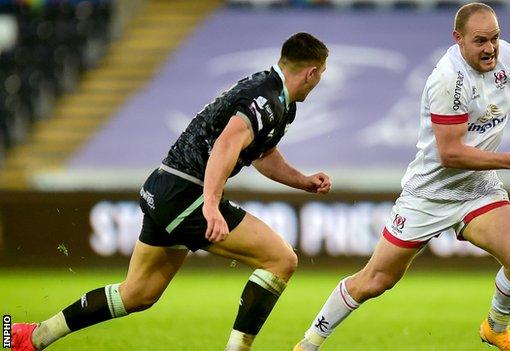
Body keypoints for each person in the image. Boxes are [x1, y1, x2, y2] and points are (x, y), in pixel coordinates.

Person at [12, 32, 330, 351]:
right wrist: (210, 203)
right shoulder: (266, 99)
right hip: (185, 192)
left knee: (138, 293)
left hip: (165, 187)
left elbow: (260, 153)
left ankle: (31, 337)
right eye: (322, 74)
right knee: (280, 259)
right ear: (312, 72)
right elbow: (226, 144)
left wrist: (302, 181)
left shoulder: (278, 103)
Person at [294, 4, 510, 351]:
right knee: (375, 281)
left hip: (478, 188)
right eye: (480, 41)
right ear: (458, 39)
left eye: (494, 38)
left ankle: (496, 329)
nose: (491, 48)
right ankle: (309, 343)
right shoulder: (449, 80)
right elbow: (451, 154)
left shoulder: (505, 54)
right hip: (430, 192)